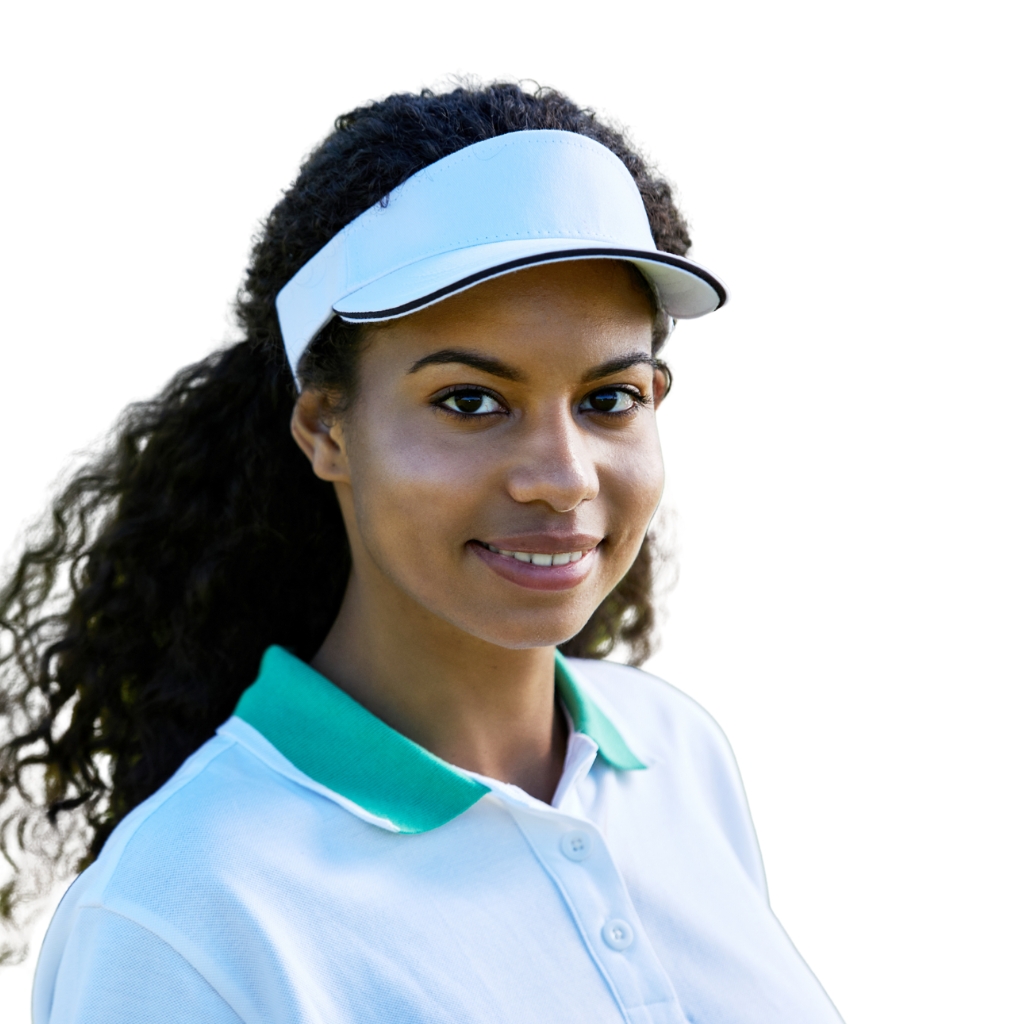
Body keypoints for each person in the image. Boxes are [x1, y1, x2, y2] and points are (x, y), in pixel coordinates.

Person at [0, 82, 842, 1023]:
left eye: (609, 400)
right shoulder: (182, 916)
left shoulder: (676, 755)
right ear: (326, 428)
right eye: (471, 401)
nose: (562, 476)